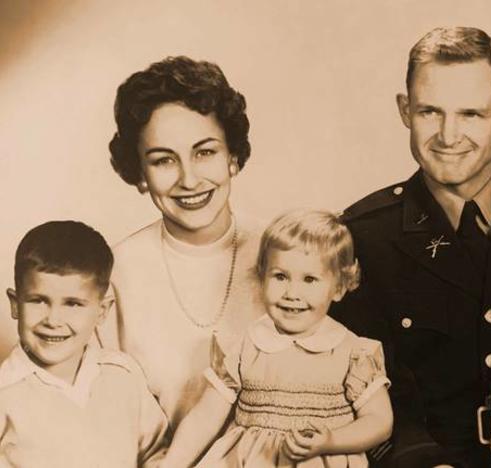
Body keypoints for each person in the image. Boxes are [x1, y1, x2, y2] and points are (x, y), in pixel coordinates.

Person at [331, 26, 491, 467]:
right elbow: (357, 385)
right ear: (404, 109)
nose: (449, 135)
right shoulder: (362, 236)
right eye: (430, 112)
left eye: (471, 114)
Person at [97, 56, 266, 427]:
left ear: (233, 158)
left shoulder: (284, 255)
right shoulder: (114, 274)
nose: (189, 180)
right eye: (163, 161)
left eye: (205, 152)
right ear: (140, 175)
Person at [161, 210, 393, 467]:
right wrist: (172, 463)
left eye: (309, 279)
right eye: (280, 276)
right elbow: (206, 415)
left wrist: (332, 440)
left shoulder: (352, 352)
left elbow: (379, 421)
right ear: (262, 278)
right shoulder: (248, 344)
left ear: (339, 287)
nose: (292, 293)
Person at [0, 221, 168, 467]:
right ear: (15, 304)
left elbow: (157, 453)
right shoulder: (5, 394)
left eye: (73, 304)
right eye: (38, 301)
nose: (53, 320)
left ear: (102, 311)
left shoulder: (123, 375)